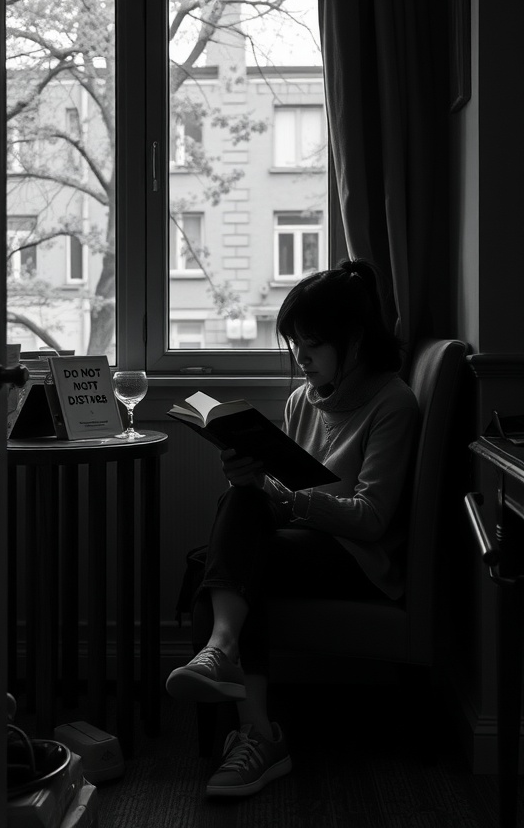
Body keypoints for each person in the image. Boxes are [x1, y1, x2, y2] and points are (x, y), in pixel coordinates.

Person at [165, 258, 419, 798]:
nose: (301, 358)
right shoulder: (302, 399)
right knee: (236, 508)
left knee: (224, 566)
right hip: (303, 546)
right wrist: (252, 480)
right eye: (295, 344)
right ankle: (252, 717)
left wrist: (287, 499)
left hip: (358, 561)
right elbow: (286, 501)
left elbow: (372, 519)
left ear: (353, 340)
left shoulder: (393, 403)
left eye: (313, 345)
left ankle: (231, 674)